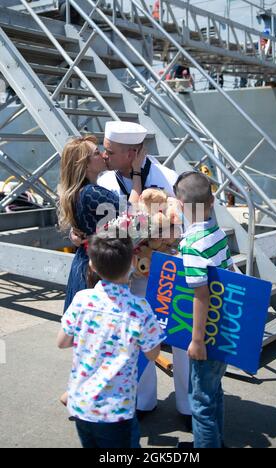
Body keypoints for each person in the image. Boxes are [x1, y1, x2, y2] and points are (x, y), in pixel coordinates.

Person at [97, 121, 191, 421]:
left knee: (179, 336)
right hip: (131, 275)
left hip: (170, 271)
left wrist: (163, 235)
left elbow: (187, 226)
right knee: (136, 337)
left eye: (110, 151)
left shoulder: (169, 177)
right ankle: (142, 401)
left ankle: (188, 406)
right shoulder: (106, 182)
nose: (104, 155)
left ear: (133, 153)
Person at [57, 234, 165, 448]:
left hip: (81, 405)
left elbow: (62, 341)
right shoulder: (140, 308)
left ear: (92, 265)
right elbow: (153, 354)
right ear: (133, 263)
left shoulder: (82, 300)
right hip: (117, 411)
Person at [174, 171, 234, 449]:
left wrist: (197, 340)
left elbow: (201, 293)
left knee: (200, 403)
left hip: (206, 333)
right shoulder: (216, 233)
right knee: (214, 392)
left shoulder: (191, 246)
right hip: (222, 325)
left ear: (180, 204)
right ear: (211, 201)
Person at [58, 134, 144, 313]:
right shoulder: (92, 192)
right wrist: (136, 173)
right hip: (98, 267)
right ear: (86, 164)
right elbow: (132, 212)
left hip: (83, 261)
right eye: (97, 153)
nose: (104, 155)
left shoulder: (78, 191)